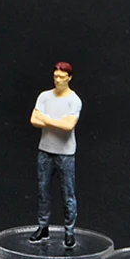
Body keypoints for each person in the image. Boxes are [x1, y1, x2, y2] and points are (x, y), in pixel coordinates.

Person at [29, 62, 82, 248]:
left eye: (62, 77)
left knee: (68, 194)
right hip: (45, 150)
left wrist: (45, 119)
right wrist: (57, 122)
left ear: (69, 78)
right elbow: (33, 120)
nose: (58, 80)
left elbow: (68, 126)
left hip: (65, 153)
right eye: (55, 77)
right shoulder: (44, 96)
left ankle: (69, 231)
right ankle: (43, 227)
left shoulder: (74, 100)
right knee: (43, 191)